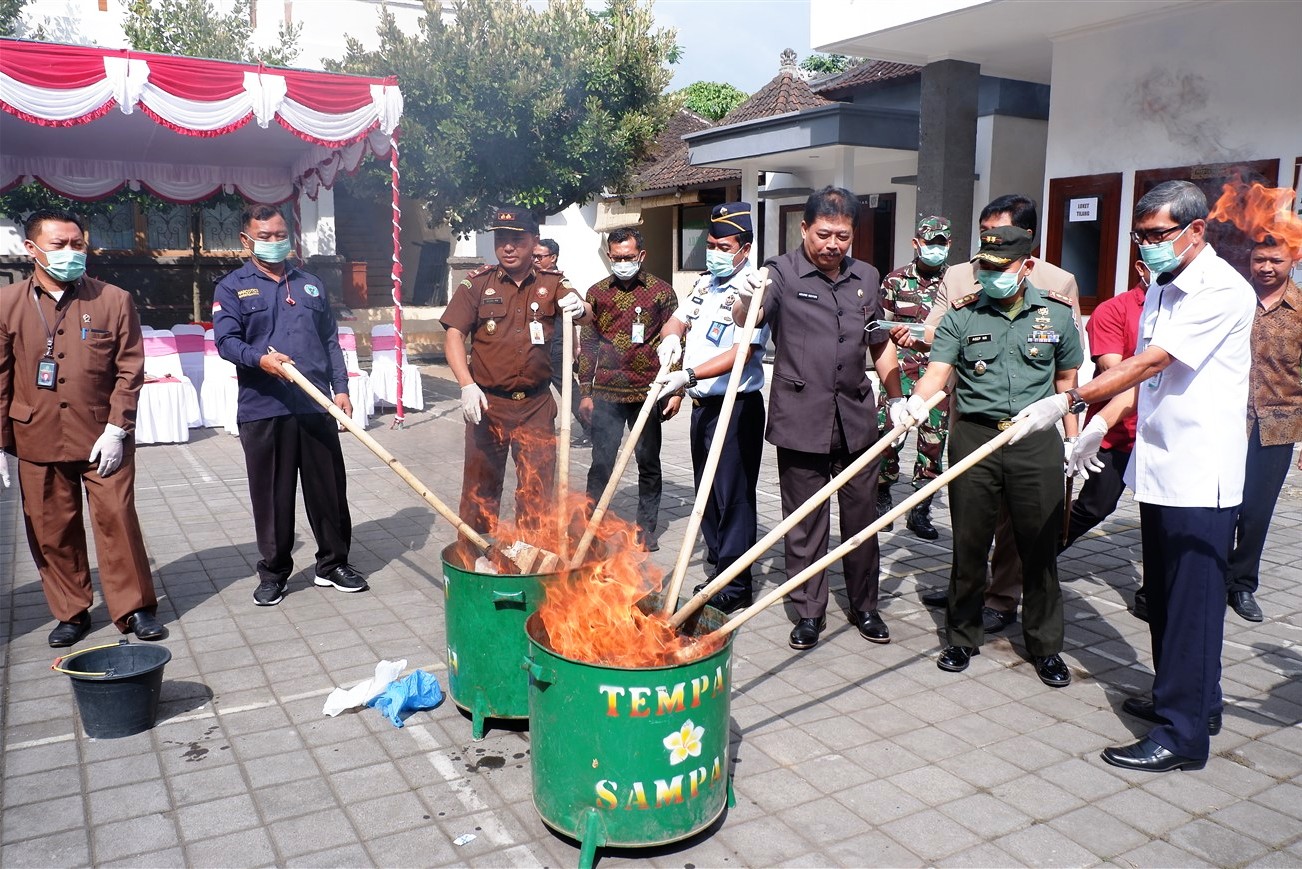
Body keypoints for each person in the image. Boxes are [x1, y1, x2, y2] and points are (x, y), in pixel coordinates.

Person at [1015, 180, 1255, 771]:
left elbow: (1152, 361)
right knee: (1167, 602)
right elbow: (1140, 377)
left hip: (1201, 475)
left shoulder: (1220, 289)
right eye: (1139, 236)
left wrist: (1069, 404)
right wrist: (1101, 423)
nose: (1146, 246)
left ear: (1197, 230)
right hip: (1159, 464)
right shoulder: (1164, 289)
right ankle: (1192, 701)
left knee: (1192, 605)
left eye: (1157, 235)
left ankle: (1183, 738)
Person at [902, 224, 1081, 686]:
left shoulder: (1057, 315)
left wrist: (1071, 440)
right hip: (975, 438)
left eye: (1002, 268)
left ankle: (1045, 646)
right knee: (969, 543)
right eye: (985, 267)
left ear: (1026, 266)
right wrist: (913, 406)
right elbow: (937, 373)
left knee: (1038, 547)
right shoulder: (962, 316)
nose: (991, 276)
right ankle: (962, 637)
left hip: (1034, 438)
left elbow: (1066, 384)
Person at [734, 187, 905, 651]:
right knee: (805, 522)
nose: (833, 245)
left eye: (843, 237)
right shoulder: (780, 273)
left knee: (861, 519)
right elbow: (747, 319)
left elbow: (879, 342)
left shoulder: (866, 276)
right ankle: (809, 611)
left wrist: (898, 396)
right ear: (805, 228)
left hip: (856, 418)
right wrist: (746, 298)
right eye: (824, 234)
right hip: (801, 419)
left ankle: (865, 605)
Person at [0, 208, 167, 645]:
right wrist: (1, 442)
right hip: (36, 435)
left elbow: (130, 370)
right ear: (31, 249)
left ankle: (134, 609)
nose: (72, 253)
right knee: (50, 528)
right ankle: (71, 610)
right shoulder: (7, 304)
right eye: (60, 245)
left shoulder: (112, 300)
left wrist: (118, 429)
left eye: (78, 244)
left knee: (117, 522)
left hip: (101, 434)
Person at [214, 204, 365, 606]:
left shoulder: (312, 284)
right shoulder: (232, 287)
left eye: (281, 235)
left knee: (328, 491)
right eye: (265, 236)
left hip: (315, 404)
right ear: (246, 241)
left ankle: (333, 564)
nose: (275, 242)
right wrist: (260, 359)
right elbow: (226, 342)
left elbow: (331, 340)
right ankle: (275, 572)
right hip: (265, 407)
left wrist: (341, 389)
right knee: (272, 496)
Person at [440, 207, 588, 536]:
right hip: (487, 405)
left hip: (535, 407)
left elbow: (584, 312)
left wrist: (582, 307)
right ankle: (475, 557)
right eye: (501, 239)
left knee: (536, 492)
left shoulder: (552, 284)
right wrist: (466, 385)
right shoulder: (476, 284)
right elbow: (453, 335)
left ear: (534, 242)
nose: (508, 247)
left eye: (516, 240)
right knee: (480, 490)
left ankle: (528, 558)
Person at [656, 203, 770, 614]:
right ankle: (716, 569)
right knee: (708, 493)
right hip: (704, 404)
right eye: (710, 244)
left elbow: (744, 351)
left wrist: (687, 376)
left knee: (733, 496)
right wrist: (671, 338)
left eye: (723, 245)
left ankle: (735, 584)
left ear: (745, 248)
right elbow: (677, 320)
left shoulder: (755, 289)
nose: (714, 252)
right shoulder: (705, 285)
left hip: (736, 406)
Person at [577, 228, 678, 551]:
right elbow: (589, 343)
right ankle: (592, 526)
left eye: (628, 258)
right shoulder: (597, 293)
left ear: (641, 256)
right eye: (617, 258)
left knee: (648, 462)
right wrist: (585, 391)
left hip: (647, 393)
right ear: (609, 256)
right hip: (606, 392)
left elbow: (675, 339)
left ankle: (646, 531)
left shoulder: (661, 293)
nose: (622, 263)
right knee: (602, 462)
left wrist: (676, 389)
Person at [1063, 260, 1149, 620]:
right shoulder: (1114, 309)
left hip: (1164, 438)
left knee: (1160, 521)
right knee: (1095, 507)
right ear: (1143, 269)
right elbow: (1115, 373)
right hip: (1116, 433)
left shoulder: (1192, 310)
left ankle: (1153, 594)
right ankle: (1029, 556)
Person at [1224, 235, 1302, 622]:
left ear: (1293, 261)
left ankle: (1240, 584)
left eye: (1275, 260)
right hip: (1226, 421)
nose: (1266, 267)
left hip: (1278, 426)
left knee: (1257, 511)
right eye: (1259, 260)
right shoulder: (1232, 298)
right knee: (1220, 502)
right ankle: (1209, 574)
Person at [876, 215, 953, 540]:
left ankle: (920, 509)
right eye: (929, 242)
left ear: (948, 245)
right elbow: (878, 331)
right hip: (900, 374)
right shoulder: (894, 281)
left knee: (933, 444)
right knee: (888, 439)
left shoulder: (957, 283)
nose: (934, 249)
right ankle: (881, 494)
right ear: (916, 243)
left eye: (941, 243)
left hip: (939, 375)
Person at [534, 237, 591, 448]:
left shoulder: (558, 281)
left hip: (556, 346)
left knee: (568, 389)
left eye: (540, 256)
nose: (535, 260)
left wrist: (574, 344)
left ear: (553, 257)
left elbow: (573, 312)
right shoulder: (534, 279)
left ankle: (590, 428)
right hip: (539, 345)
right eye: (534, 256)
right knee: (539, 389)